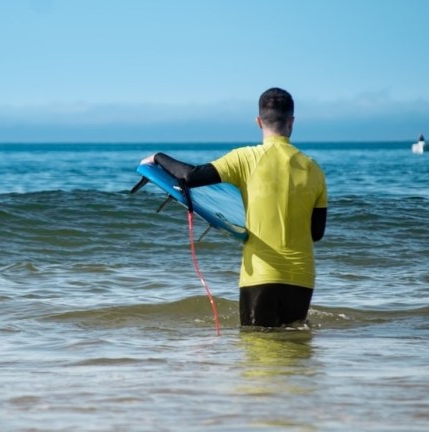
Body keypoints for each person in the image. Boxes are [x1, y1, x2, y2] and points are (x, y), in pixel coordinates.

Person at [140, 87, 327, 328]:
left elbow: (191, 176)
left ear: (258, 121)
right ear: (292, 122)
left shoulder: (245, 158)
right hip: (302, 277)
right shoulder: (314, 170)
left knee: (257, 351)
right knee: (294, 347)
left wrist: (158, 157)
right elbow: (316, 233)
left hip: (261, 275)